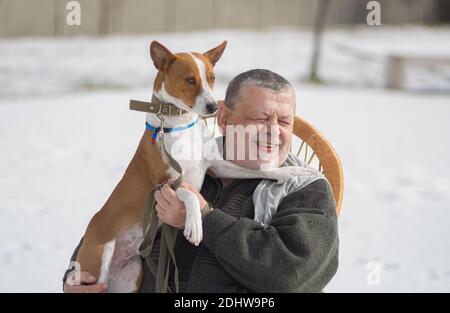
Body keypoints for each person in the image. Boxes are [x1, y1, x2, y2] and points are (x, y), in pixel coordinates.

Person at [63, 69, 339, 293]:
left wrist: (205, 219)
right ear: (223, 118)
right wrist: (77, 277)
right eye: (260, 118)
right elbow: (114, 221)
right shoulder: (183, 160)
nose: (273, 132)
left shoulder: (306, 188)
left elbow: (292, 276)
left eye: (284, 122)